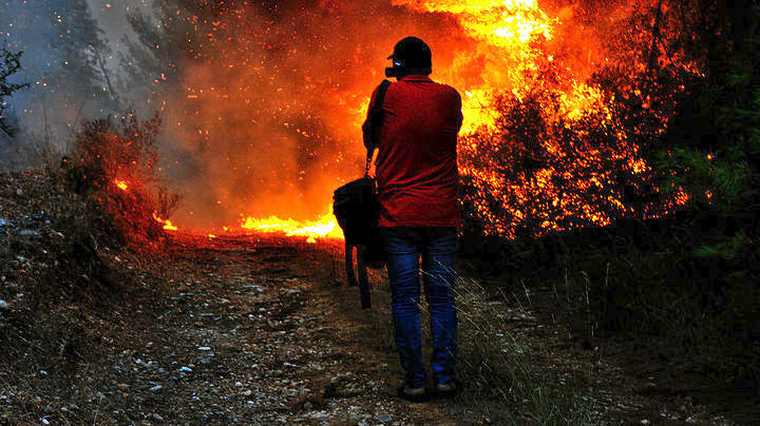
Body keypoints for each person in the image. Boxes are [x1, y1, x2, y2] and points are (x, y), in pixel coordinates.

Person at [363, 36, 463, 402]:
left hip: (399, 215)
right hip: (441, 215)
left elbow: (369, 139)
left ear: (399, 65)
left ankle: (416, 381)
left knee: (405, 299)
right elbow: (450, 130)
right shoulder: (451, 97)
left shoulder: (385, 95)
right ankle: (445, 377)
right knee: (442, 298)